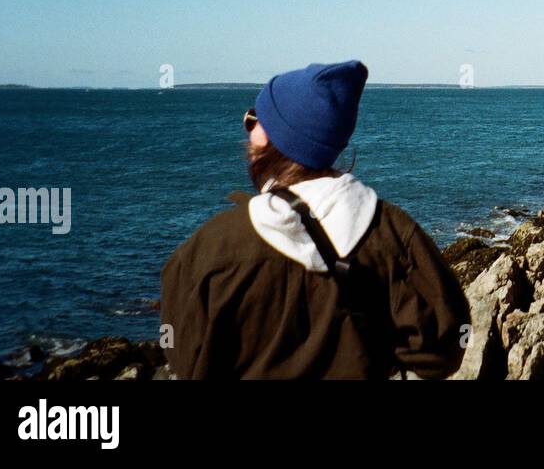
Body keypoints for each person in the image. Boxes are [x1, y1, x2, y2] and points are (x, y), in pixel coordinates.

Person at [160, 60, 470, 379]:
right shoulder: (394, 232)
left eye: (254, 119)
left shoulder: (208, 249)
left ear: (271, 138)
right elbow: (443, 350)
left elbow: (188, 362)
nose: (248, 127)